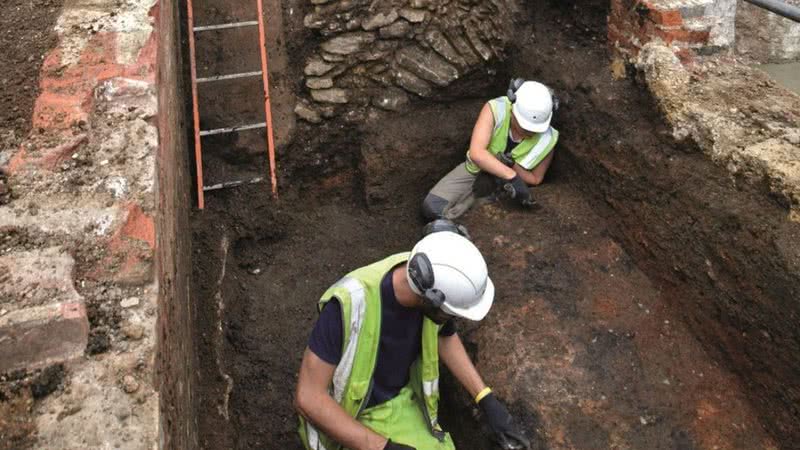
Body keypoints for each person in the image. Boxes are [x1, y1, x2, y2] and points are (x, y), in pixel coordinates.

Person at [295, 228, 529, 450]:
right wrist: (382, 447)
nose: (454, 318)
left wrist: (484, 398)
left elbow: (444, 336)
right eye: (452, 312)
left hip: (398, 404)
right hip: (346, 418)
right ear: (433, 301)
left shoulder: (426, 273)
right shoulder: (349, 305)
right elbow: (308, 397)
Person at [422, 79, 560, 220]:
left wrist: (513, 166)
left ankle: (466, 215)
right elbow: (477, 153)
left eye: (535, 129)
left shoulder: (548, 139)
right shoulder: (496, 109)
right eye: (525, 126)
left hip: (501, 188)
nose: (530, 132)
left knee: (475, 217)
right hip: (475, 170)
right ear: (512, 108)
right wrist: (511, 176)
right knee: (433, 207)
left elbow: (536, 179)